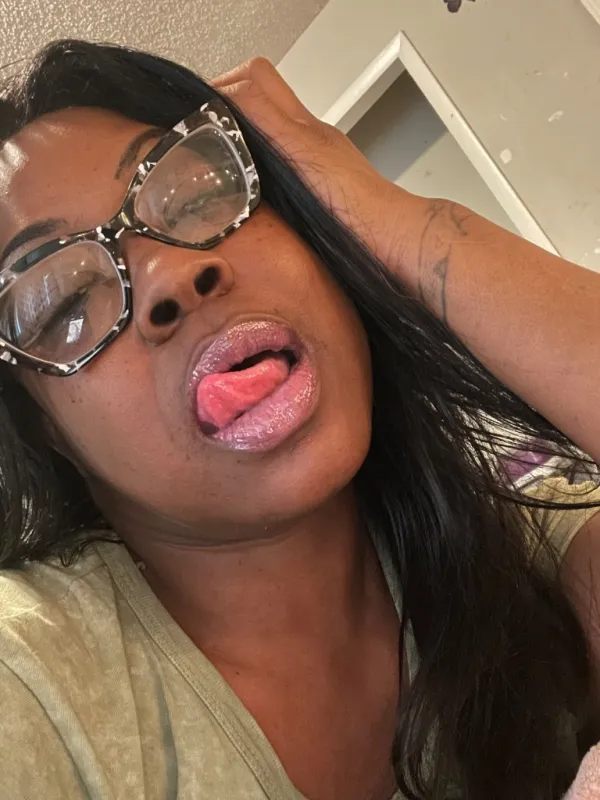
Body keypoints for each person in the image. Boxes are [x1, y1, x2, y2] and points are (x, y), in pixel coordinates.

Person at [0, 39, 598, 800]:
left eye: (196, 195)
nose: (172, 274)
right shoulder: (30, 684)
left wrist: (401, 222)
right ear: (44, 428)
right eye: (60, 301)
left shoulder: (507, 527)